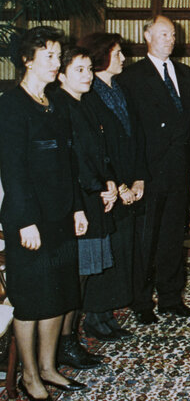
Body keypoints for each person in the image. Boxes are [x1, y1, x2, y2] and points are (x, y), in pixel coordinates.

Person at [0, 26, 88, 400]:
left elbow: (68, 161)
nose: (56, 63)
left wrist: (78, 206)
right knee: (33, 299)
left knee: (59, 295)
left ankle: (50, 367)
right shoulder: (10, 104)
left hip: (60, 215)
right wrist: (24, 221)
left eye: (58, 56)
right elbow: (13, 168)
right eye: (49, 56)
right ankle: (29, 376)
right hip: (29, 219)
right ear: (27, 60)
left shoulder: (54, 102)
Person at [117, 15, 190, 324]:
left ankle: (170, 298)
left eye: (173, 35)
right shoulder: (131, 77)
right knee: (145, 240)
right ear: (147, 36)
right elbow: (131, 131)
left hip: (179, 170)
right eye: (163, 33)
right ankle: (141, 302)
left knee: (172, 237)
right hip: (147, 172)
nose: (170, 39)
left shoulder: (186, 75)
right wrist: (136, 173)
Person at [78, 32, 144, 340]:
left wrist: (138, 179)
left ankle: (109, 313)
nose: (123, 59)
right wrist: (118, 185)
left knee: (121, 252)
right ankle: (96, 316)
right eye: (117, 53)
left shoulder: (121, 89)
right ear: (102, 56)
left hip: (129, 183)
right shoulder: (89, 94)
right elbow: (97, 150)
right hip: (108, 188)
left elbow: (136, 136)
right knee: (103, 254)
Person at [54, 48, 114, 371]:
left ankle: (69, 339)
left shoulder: (85, 103)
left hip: (93, 197)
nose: (88, 75)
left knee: (84, 277)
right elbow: (74, 162)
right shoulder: (62, 107)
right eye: (80, 70)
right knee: (74, 279)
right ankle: (65, 344)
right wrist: (99, 186)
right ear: (62, 75)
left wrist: (109, 183)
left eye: (90, 69)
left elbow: (97, 153)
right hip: (78, 202)